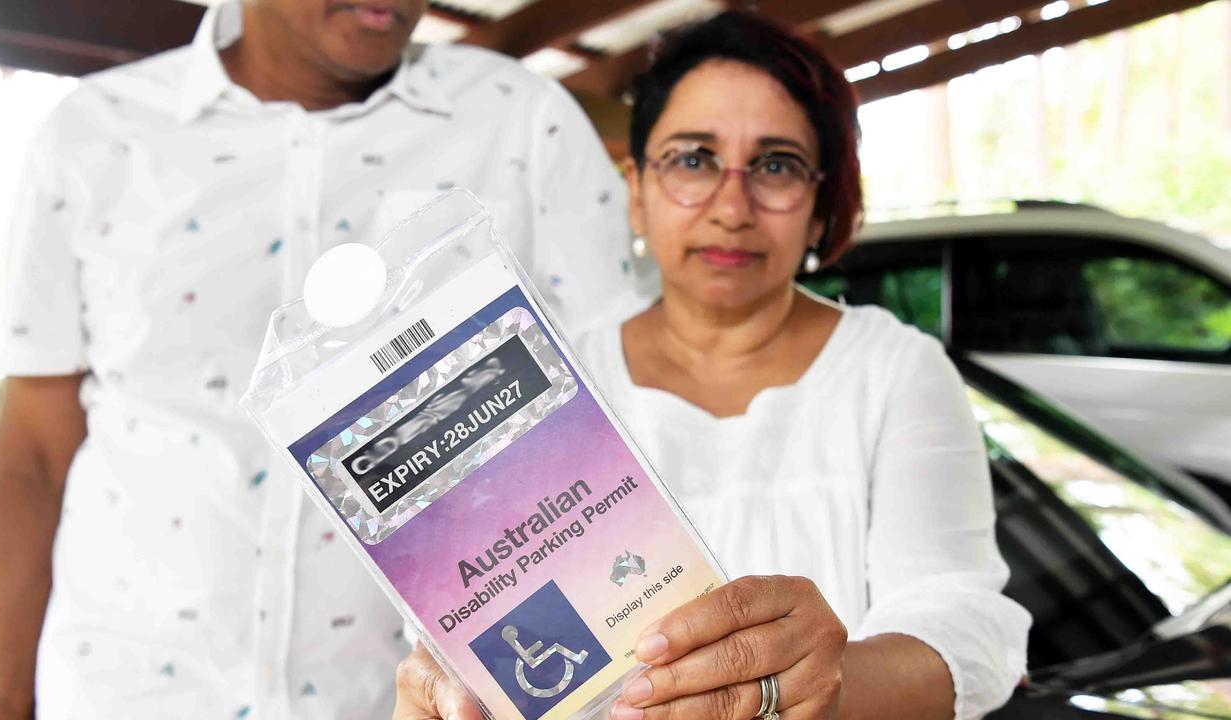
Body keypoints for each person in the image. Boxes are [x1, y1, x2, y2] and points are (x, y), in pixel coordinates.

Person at [0, 1, 646, 718]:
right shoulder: (94, 135)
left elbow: (621, 407)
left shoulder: (520, 119)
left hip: (408, 701)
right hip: (129, 689)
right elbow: (33, 457)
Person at [394, 11, 1031, 720]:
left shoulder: (894, 373)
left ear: (820, 208)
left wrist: (827, 681)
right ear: (635, 191)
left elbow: (960, 626)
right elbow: (473, 616)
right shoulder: (552, 379)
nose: (731, 207)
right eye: (693, 159)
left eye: (776, 165)